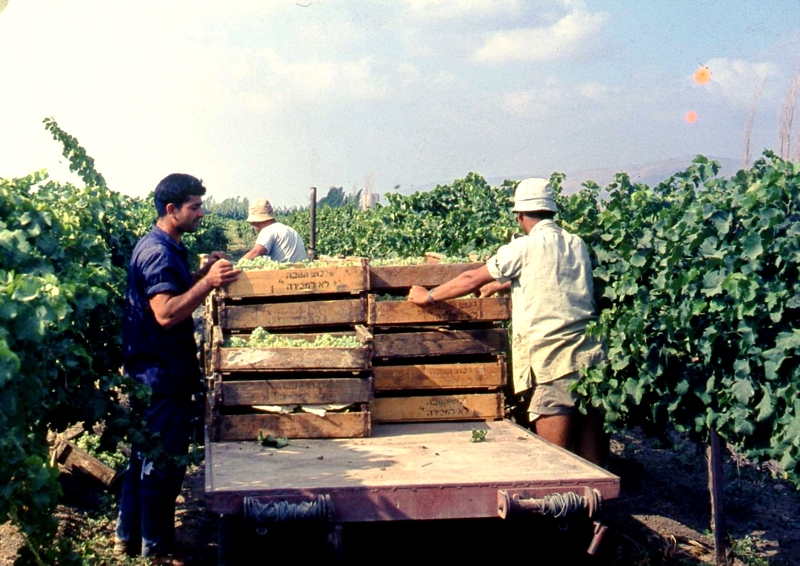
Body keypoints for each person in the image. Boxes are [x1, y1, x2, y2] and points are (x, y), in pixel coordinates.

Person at [408, 178, 608, 466]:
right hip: (591, 358)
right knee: (595, 463)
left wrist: (428, 296)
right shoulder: (576, 244)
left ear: (521, 216)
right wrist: (502, 285)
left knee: (555, 463)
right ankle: (600, 510)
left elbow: (470, 278)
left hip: (553, 362)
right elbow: (552, 279)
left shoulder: (522, 247)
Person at [115, 173, 240, 563]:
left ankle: (128, 536)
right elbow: (166, 313)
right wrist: (208, 286)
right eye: (195, 207)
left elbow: (171, 293)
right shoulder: (158, 253)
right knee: (161, 464)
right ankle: (156, 547)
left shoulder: (165, 246)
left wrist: (202, 274)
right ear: (172, 210)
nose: (202, 213)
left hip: (153, 372)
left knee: (143, 456)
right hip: (160, 376)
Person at [241, 198, 308, 262]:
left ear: (256, 222)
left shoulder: (267, 231)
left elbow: (256, 252)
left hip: (281, 272)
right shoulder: (292, 231)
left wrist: (238, 265)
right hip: (300, 272)